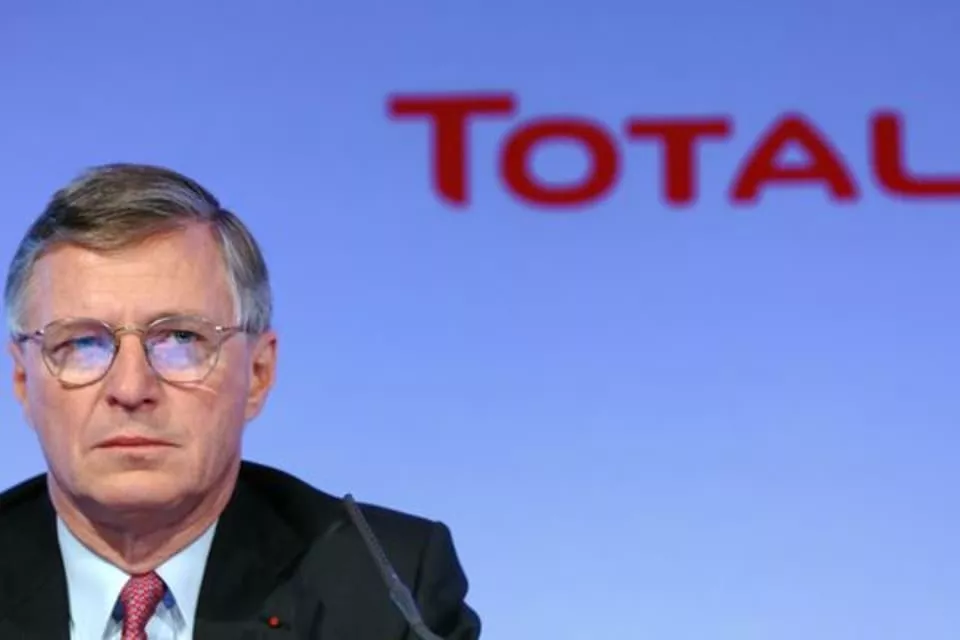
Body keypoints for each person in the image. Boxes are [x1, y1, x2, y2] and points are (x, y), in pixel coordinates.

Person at [0, 164, 481, 639]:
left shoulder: (383, 590)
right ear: (23, 380)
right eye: (82, 343)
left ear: (257, 373)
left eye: (181, 339)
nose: (130, 389)